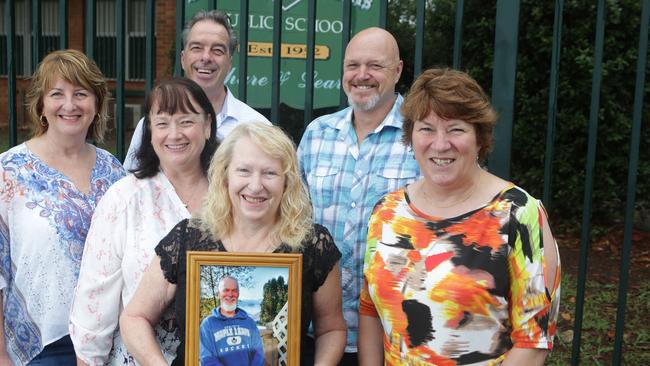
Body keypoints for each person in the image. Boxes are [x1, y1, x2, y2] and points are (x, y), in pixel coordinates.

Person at [358, 68, 561, 365]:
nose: (440, 144)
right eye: (426, 129)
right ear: (410, 136)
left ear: (480, 137)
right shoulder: (386, 212)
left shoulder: (518, 213)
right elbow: (370, 311)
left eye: (455, 129)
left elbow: (533, 342)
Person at [120, 122, 346, 365]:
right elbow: (134, 318)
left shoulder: (312, 244)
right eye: (244, 171)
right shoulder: (188, 238)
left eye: (269, 172)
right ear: (225, 175)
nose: (256, 185)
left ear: (287, 181)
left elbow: (331, 330)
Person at [69, 78, 218, 365]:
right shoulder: (125, 198)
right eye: (162, 123)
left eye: (186, 121)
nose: (174, 134)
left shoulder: (234, 196)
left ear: (207, 125)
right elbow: (94, 303)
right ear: (149, 131)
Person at [297, 27, 420, 364]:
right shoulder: (317, 134)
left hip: (393, 333)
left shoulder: (422, 136)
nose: (361, 75)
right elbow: (290, 219)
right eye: (353, 65)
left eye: (375, 66)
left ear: (397, 71)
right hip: (315, 331)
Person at [0, 49, 125, 365]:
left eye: (81, 94)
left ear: (96, 105)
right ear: (41, 105)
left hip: (108, 339)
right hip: (42, 346)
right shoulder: (9, 171)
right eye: (57, 94)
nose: (69, 105)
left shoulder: (114, 171)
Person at [123, 9, 270, 170]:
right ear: (183, 59)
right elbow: (132, 180)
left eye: (217, 50)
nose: (206, 57)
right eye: (197, 48)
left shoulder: (258, 127)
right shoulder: (154, 125)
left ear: (229, 63)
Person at [199, 276, 265, 366]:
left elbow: (259, 355)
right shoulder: (207, 324)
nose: (230, 294)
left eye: (234, 290)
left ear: (238, 294)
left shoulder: (249, 323)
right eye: (226, 290)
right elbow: (207, 358)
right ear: (218, 294)